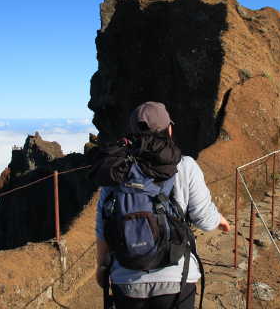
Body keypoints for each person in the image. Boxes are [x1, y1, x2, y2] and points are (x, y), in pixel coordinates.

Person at [95, 101, 231, 309]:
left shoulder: (116, 170)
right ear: (169, 129)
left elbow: (103, 226)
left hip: (126, 279)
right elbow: (203, 219)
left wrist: (101, 268)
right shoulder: (185, 166)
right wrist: (219, 219)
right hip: (177, 279)